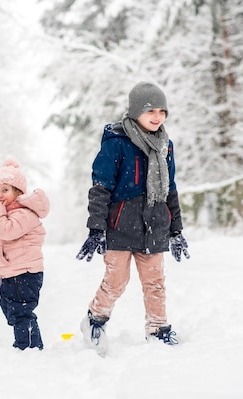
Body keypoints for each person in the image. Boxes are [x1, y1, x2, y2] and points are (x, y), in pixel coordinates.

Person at [76, 81, 190, 355]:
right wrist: (96, 229)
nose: (157, 116)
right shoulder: (117, 143)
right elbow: (100, 188)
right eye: (151, 110)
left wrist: (176, 230)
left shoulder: (165, 146)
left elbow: (170, 190)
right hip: (120, 224)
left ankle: (158, 329)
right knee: (116, 281)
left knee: (155, 283)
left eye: (162, 111)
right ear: (136, 110)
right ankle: (95, 319)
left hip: (155, 224)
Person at [0, 159, 50, 350]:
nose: (0, 195)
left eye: (5, 190)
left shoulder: (23, 213)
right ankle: (28, 342)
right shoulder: (7, 212)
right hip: (13, 272)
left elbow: (5, 232)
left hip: (25, 272)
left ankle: (27, 346)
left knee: (21, 311)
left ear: (18, 191)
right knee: (9, 307)